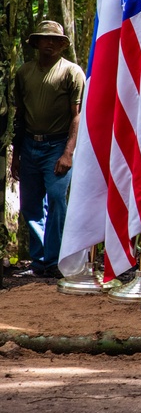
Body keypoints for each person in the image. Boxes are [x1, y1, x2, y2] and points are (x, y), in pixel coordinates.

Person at [11, 21, 85, 278]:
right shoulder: (24, 73)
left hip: (57, 145)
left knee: (56, 200)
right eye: (45, 39)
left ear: (63, 44)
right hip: (30, 145)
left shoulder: (72, 72)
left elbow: (76, 116)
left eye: (55, 40)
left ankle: (54, 261)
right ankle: (39, 262)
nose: (50, 43)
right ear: (36, 42)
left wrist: (68, 153)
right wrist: (17, 154)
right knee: (30, 206)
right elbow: (20, 114)